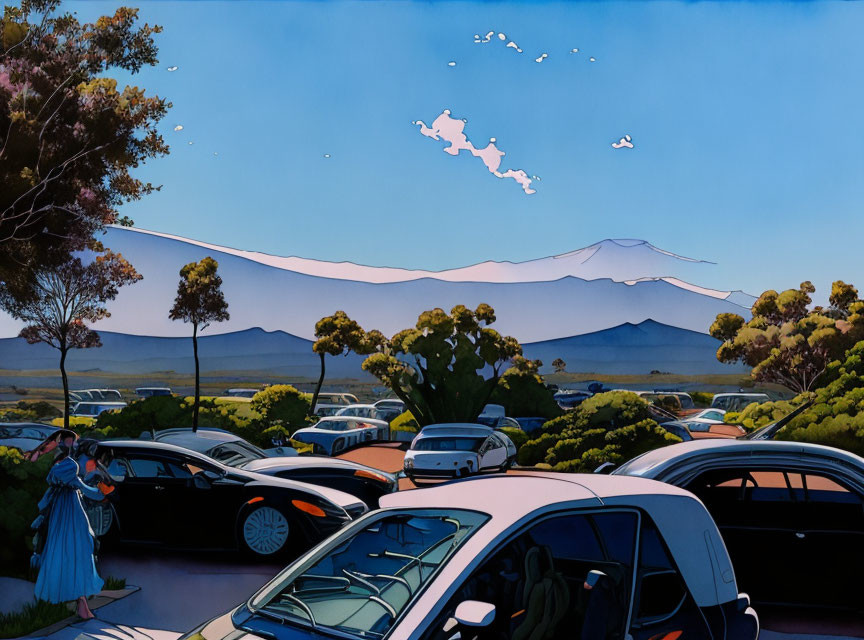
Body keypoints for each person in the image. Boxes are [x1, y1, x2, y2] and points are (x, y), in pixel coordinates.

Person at [29, 433, 112, 619]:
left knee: (69, 549)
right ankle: (80, 603)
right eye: (72, 440)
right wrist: (100, 493)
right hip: (69, 510)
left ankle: (76, 601)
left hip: (65, 508)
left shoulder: (63, 464)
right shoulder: (69, 465)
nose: (74, 443)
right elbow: (81, 486)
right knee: (77, 548)